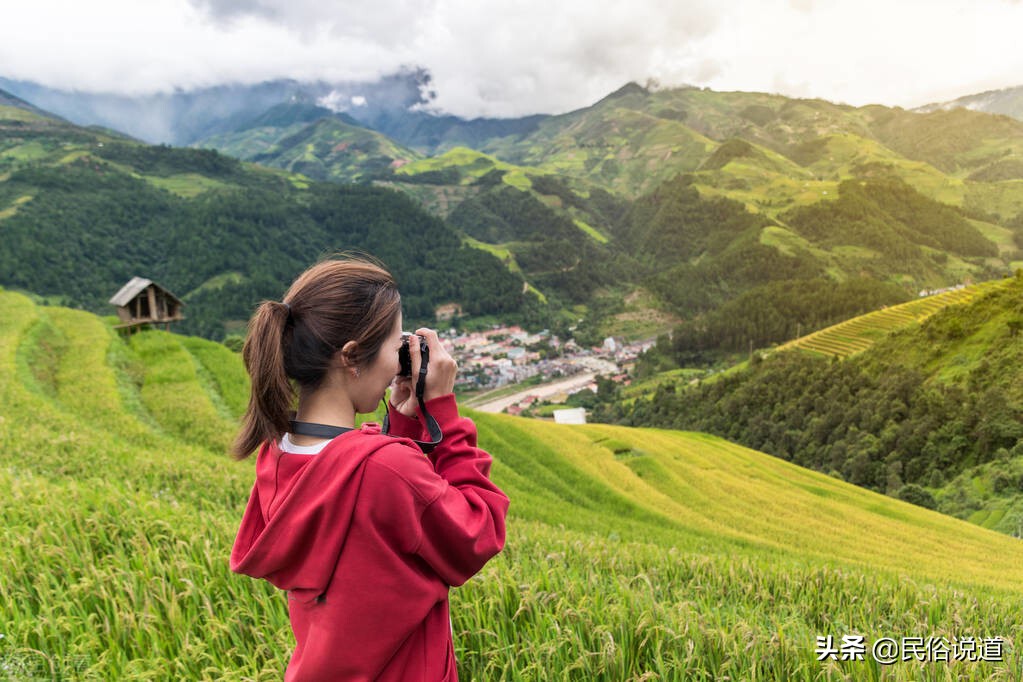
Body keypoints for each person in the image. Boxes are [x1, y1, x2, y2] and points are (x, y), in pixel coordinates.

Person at [229, 256, 509, 681]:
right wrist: (444, 416)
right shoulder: (385, 469)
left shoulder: (279, 454)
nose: (398, 358)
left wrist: (403, 422)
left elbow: (377, 524)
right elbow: (480, 529)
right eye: (395, 344)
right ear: (352, 356)